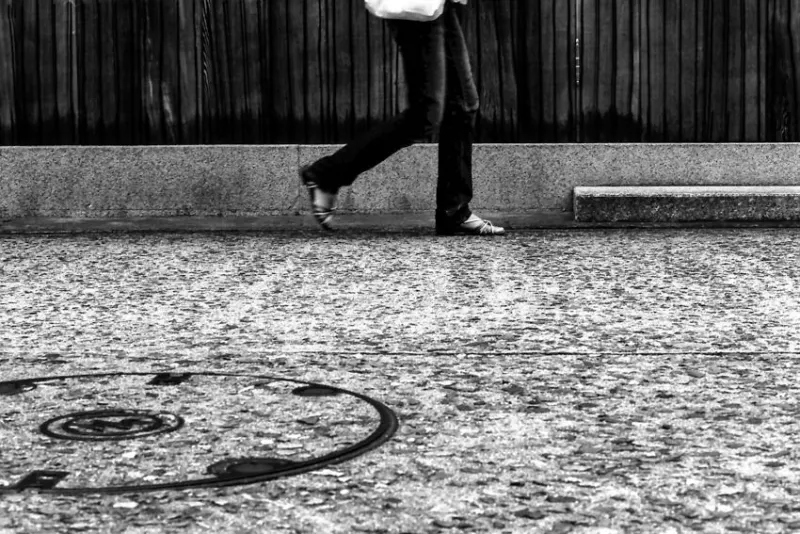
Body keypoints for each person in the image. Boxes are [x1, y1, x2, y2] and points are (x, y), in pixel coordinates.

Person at [299, 0, 505, 235]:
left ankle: (454, 210)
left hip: (437, 7)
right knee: (425, 115)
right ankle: (326, 174)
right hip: (419, 9)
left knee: (462, 105)